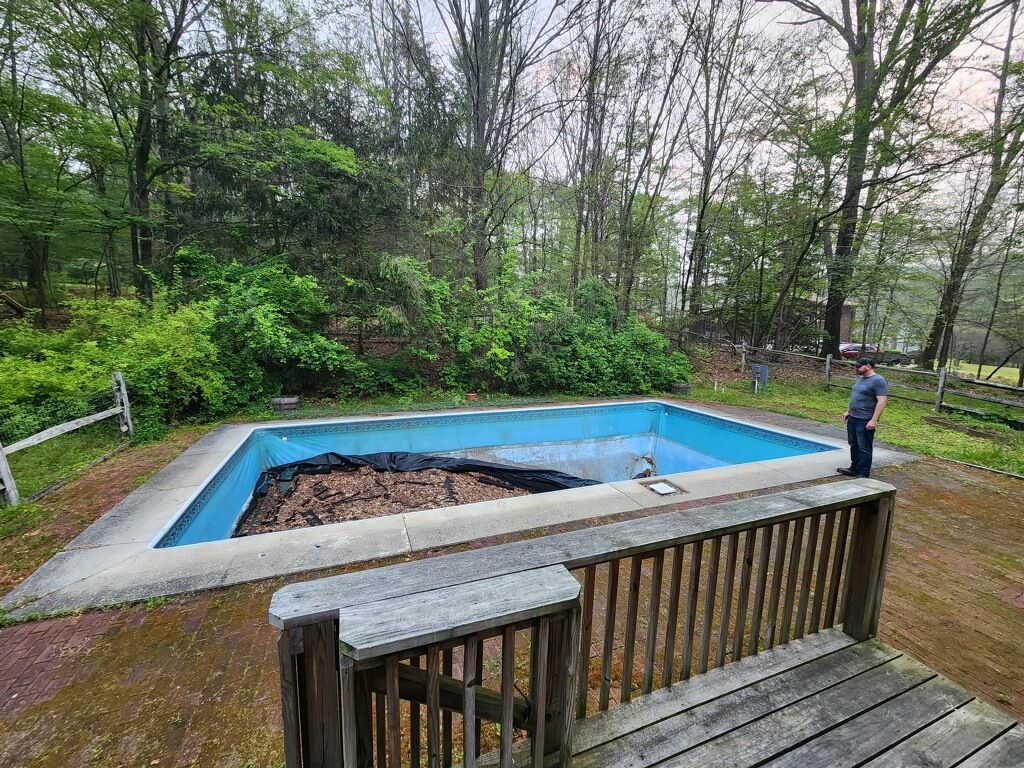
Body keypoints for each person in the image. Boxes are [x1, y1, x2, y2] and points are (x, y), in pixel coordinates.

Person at [839, 357, 888, 478]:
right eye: (856, 366)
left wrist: (874, 420)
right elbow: (856, 396)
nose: (856, 368)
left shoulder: (878, 380)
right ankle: (854, 468)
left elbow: (882, 401)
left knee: (864, 447)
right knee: (853, 444)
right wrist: (848, 411)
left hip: (865, 419)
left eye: (858, 366)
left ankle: (863, 474)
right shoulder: (860, 379)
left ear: (868, 366)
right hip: (853, 417)